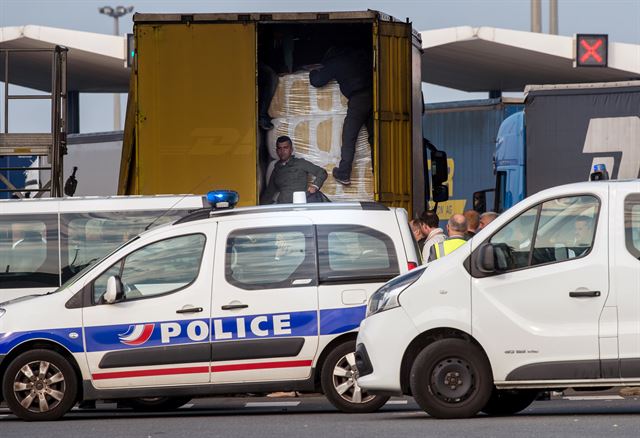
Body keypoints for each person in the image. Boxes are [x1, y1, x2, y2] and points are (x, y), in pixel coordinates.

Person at [309, 47, 372, 186]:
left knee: (349, 136)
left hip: (358, 99)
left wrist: (312, 71)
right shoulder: (358, 56)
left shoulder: (335, 63)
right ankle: (379, 172)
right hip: (375, 95)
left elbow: (317, 81)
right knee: (376, 138)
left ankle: (343, 173)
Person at [260, 136, 328, 204]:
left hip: (301, 202)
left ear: (291, 149)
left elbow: (322, 172)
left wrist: (315, 186)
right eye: (279, 148)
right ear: (277, 151)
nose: (282, 151)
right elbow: (269, 193)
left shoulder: (300, 163)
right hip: (284, 205)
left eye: (285, 148)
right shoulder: (276, 169)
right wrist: (260, 209)